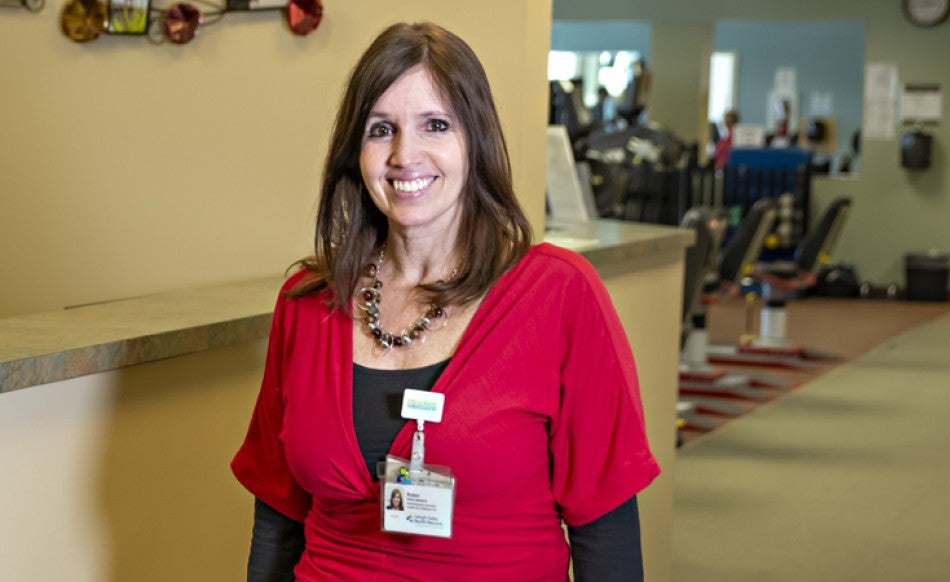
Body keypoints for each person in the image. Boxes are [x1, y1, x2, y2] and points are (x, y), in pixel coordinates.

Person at [231, 21, 660, 581]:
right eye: (381, 129)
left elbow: (606, 531)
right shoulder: (308, 303)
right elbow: (278, 517)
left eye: (435, 125)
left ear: (474, 143)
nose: (405, 155)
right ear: (354, 152)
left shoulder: (558, 295)